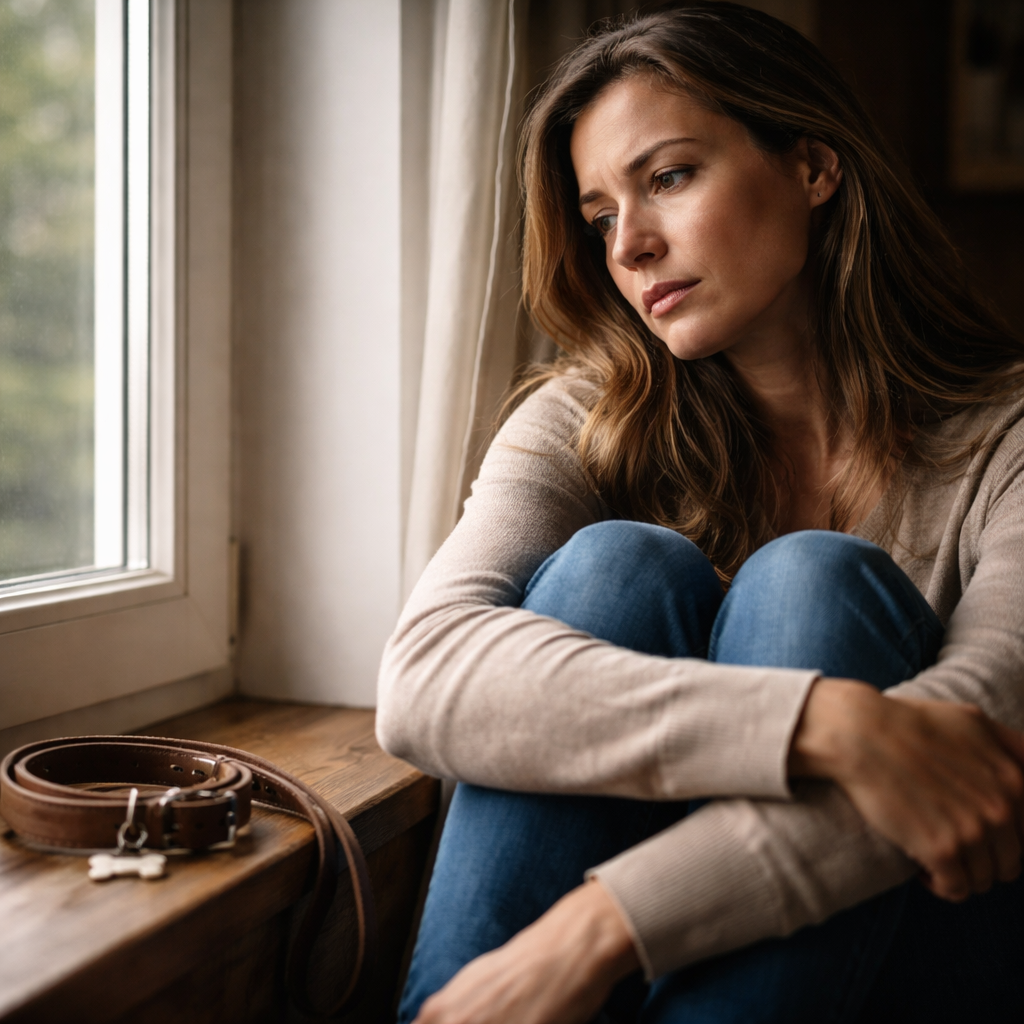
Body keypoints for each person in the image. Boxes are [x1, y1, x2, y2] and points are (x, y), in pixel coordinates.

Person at [377, 4, 1024, 1022]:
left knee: (810, 580)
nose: (629, 246)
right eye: (598, 217)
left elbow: (988, 746)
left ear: (813, 167)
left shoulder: (1008, 436)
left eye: (668, 177)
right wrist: (827, 724)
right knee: (615, 570)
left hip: (918, 955)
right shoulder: (583, 419)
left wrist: (594, 931)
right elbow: (422, 678)